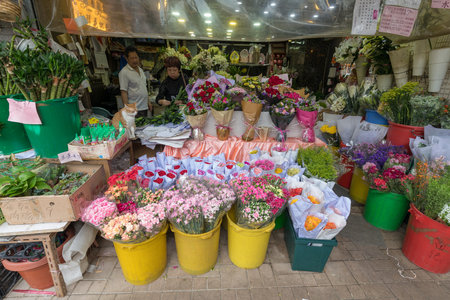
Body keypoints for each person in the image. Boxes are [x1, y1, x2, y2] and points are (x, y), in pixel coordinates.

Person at [119, 46, 152, 118]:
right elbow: (123, 92)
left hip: (144, 107)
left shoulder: (140, 70)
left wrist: (148, 102)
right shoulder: (124, 72)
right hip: (134, 109)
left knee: (144, 128)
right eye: (132, 58)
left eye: (136, 57)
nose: (135, 60)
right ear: (126, 59)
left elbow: (144, 87)